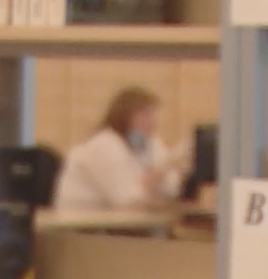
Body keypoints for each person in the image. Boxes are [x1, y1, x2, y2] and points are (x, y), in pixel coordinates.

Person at [52, 86, 183, 211]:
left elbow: (172, 190)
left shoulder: (151, 144)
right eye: (145, 114)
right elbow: (127, 200)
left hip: (119, 221)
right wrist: (160, 172)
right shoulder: (102, 145)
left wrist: (173, 168)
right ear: (124, 116)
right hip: (82, 222)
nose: (152, 121)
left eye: (153, 114)